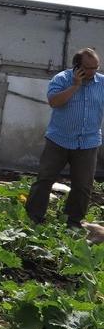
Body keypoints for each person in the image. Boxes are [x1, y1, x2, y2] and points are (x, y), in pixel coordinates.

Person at [25, 48, 104, 228]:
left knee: (83, 185)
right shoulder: (61, 79)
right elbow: (54, 102)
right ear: (77, 67)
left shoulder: (102, 83)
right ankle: (33, 218)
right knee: (45, 179)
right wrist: (75, 86)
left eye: (96, 68)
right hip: (59, 140)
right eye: (88, 68)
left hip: (88, 143)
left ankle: (73, 222)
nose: (93, 72)